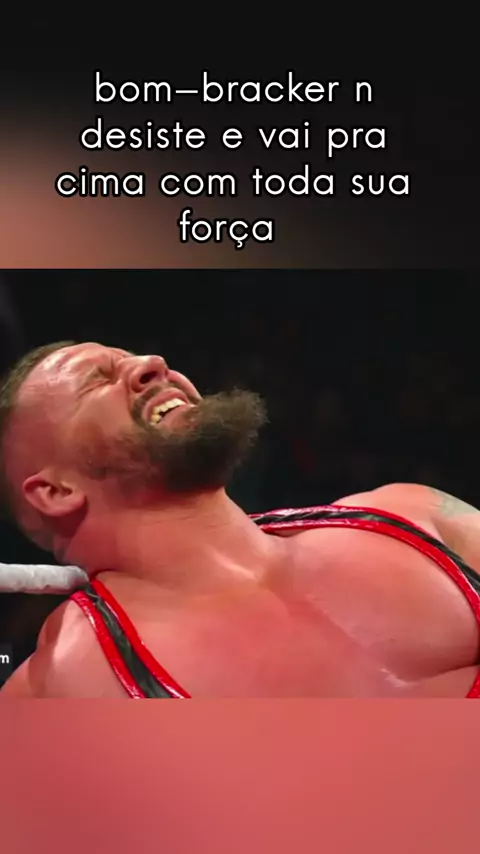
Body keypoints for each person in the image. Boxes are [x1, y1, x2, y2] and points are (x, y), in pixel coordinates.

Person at [1, 340, 480, 699]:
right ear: (56, 492)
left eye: (133, 358)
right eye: (97, 380)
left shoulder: (417, 517)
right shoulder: (65, 687)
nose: (153, 363)